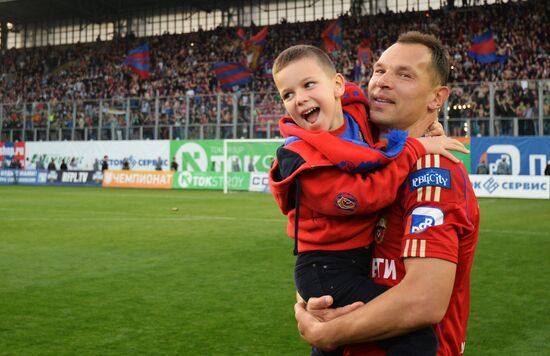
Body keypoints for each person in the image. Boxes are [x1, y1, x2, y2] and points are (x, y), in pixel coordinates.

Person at [268, 44, 467, 355]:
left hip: (346, 287)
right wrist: (305, 304)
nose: (383, 81)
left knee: (418, 341)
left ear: (436, 98)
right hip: (332, 273)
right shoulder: (342, 145)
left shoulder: (432, 172)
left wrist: (324, 331)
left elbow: (423, 302)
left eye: (404, 74)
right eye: (378, 70)